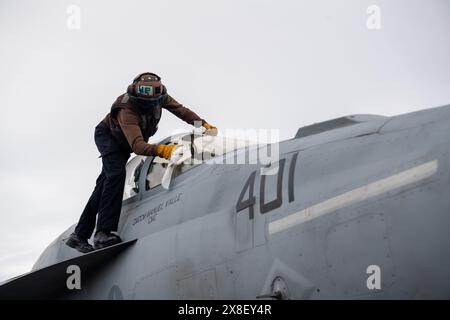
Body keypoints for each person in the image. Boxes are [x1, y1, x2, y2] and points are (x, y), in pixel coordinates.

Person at [66, 72, 217, 253]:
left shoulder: (162, 97)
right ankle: (103, 234)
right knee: (116, 175)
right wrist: (162, 150)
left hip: (125, 140)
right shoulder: (126, 108)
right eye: (143, 90)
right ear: (135, 88)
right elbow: (138, 146)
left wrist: (203, 125)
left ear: (159, 91)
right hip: (109, 137)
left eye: (153, 90)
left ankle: (79, 235)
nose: (148, 95)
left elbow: (181, 111)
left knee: (104, 185)